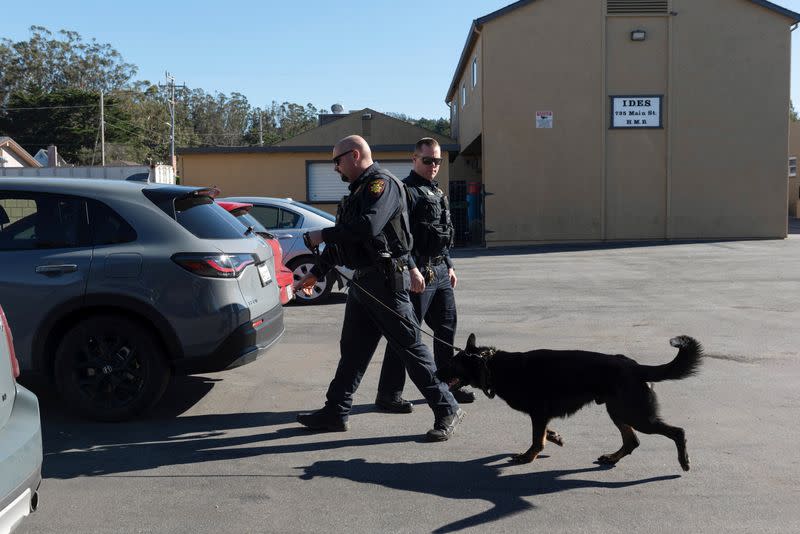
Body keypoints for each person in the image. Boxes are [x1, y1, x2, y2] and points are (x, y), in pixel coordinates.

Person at [293, 135, 464, 442]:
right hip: (363, 282)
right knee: (353, 351)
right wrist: (316, 273)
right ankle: (336, 411)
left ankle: (446, 407)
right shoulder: (357, 190)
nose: (335, 168)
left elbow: (368, 227)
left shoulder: (381, 186)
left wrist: (322, 235)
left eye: (337, 161)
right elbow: (347, 240)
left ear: (355, 155)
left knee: (411, 348)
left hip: (386, 282)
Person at [375, 137, 474, 414]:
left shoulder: (436, 191)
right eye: (427, 160)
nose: (433, 166)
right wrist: (411, 268)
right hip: (419, 272)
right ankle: (388, 393)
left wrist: (450, 265)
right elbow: (397, 236)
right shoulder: (406, 192)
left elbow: (442, 233)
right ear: (414, 159)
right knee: (406, 334)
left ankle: (448, 384)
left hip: (441, 270)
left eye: (437, 161)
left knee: (445, 330)